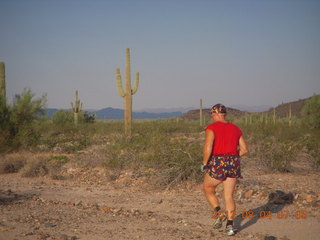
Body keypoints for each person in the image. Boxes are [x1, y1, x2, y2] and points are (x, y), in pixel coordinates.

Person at [201, 103, 248, 236]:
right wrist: (232, 158)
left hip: (218, 161)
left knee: (207, 189)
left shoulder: (211, 127)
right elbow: (244, 150)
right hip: (233, 162)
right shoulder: (236, 128)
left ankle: (219, 214)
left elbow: (208, 147)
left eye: (211, 114)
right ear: (224, 114)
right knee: (228, 195)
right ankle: (230, 226)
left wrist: (205, 163)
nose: (211, 117)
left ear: (215, 114)